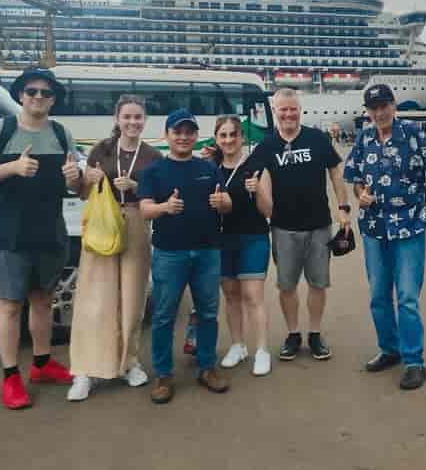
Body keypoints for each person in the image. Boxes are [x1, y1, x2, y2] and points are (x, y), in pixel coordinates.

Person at [0, 68, 81, 410]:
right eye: (31, 91)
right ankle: (10, 376)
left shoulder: (62, 134)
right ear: (20, 95)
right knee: (10, 305)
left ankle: (43, 363)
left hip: (50, 232)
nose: (37, 97)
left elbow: (78, 187)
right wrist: (12, 168)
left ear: (53, 99)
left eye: (45, 93)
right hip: (10, 235)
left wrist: (76, 177)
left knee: (44, 301)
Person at [343, 84, 426, 390]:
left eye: (383, 106)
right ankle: (389, 350)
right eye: (373, 108)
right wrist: (360, 195)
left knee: (406, 296)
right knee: (378, 295)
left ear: (394, 106)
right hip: (374, 228)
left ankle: (414, 361)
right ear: (368, 111)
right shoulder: (364, 138)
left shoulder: (414, 133)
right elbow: (355, 179)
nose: (379, 113)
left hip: (409, 225)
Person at [66, 95, 163, 402]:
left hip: (135, 223)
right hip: (102, 222)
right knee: (95, 299)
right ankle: (85, 370)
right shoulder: (101, 149)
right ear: (117, 118)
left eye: (138, 117)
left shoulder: (152, 156)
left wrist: (137, 188)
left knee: (132, 300)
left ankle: (128, 362)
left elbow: (157, 195)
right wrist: (82, 179)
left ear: (144, 120)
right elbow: (81, 192)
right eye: (127, 117)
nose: (133, 122)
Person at [138, 109, 233, 404]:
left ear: (195, 135)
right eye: (177, 131)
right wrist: (164, 208)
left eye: (189, 131)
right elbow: (144, 209)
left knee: (207, 313)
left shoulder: (209, 168)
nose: (183, 137)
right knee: (164, 316)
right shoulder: (153, 171)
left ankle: (207, 367)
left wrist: (223, 202)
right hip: (169, 252)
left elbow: (226, 203)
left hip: (207, 251)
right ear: (167, 134)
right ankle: (163, 374)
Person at [251, 88, 350, 362]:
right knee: (286, 286)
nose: (288, 114)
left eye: (292, 108)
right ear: (275, 112)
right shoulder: (266, 146)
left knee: (318, 284)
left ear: (300, 110)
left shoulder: (317, 139)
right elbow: (251, 178)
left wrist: (343, 208)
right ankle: (293, 334)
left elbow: (335, 173)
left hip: (319, 225)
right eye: (283, 109)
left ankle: (315, 334)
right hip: (283, 228)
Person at [211, 116, 275, 376]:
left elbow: (268, 210)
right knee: (231, 295)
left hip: (253, 237)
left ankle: (261, 349)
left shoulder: (258, 167)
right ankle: (238, 345)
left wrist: (258, 189)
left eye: (233, 135)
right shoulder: (209, 166)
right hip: (222, 239)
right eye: (223, 135)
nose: (228, 140)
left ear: (242, 138)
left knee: (252, 296)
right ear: (216, 139)